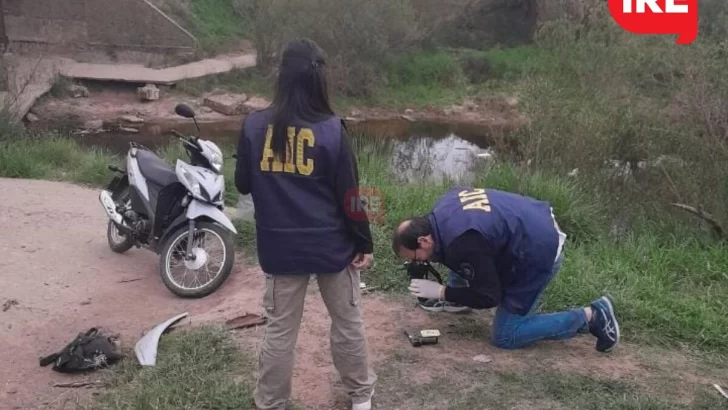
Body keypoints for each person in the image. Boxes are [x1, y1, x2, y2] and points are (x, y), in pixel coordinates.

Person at [234, 38, 377, 410]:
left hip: (280, 248)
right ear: (319, 80)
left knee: (280, 329)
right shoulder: (332, 131)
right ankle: (361, 398)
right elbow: (351, 197)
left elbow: (243, 184)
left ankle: (270, 402)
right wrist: (363, 242)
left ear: (281, 77)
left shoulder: (253, 126)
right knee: (347, 322)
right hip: (332, 247)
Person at [391, 186, 620, 353]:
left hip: (537, 251)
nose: (418, 262)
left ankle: (592, 316)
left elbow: (489, 296)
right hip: (532, 220)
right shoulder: (443, 207)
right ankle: (460, 300)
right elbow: (466, 244)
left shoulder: (463, 242)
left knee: (506, 335)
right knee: (462, 252)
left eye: (415, 257)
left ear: (423, 241)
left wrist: (442, 292)